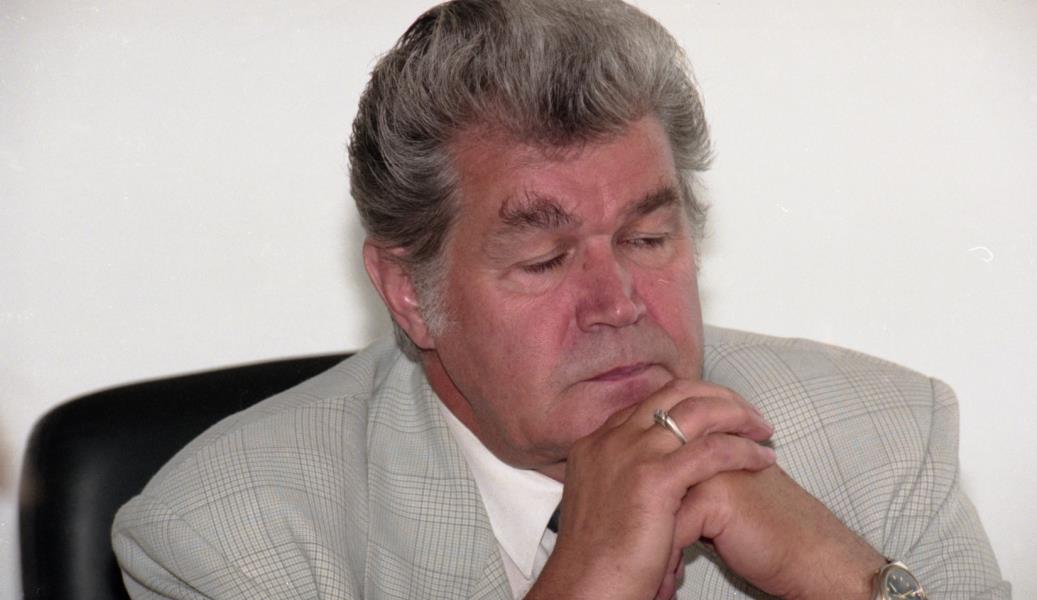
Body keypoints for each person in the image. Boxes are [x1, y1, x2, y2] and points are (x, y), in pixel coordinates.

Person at [112, 1, 1010, 598]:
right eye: (544, 259)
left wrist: (850, 582)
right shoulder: (231, 539)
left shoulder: (880, 436)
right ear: (408, 292)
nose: (617, 303)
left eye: (647, 240)